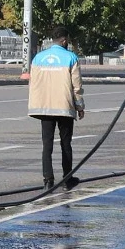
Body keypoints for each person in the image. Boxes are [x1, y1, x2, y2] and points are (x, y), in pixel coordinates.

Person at [27, 29, 86, 191]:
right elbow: (77, 86)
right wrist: (80, 106)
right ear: (64, 41)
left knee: (47, 145)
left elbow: (33, 83)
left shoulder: (38, 58)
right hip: (64, 107)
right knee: (66, 144)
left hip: (44, 107)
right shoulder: (71, 58)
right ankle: (67, 179)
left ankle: (48, 179)